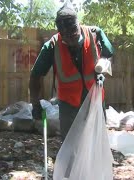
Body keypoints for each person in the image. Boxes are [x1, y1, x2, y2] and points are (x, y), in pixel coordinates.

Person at [29, 1, 114, 140]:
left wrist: (103, 69)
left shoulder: (95, 34)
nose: (71, 40)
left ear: (78, 25)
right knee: (71, 144)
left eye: (74, 34)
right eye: (66, 37)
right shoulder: (52, 46)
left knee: (96, 142)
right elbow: (35, 76)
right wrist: (35, 104)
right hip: (69, 105)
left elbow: (109, 55)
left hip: (95, 99)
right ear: (60, 33)